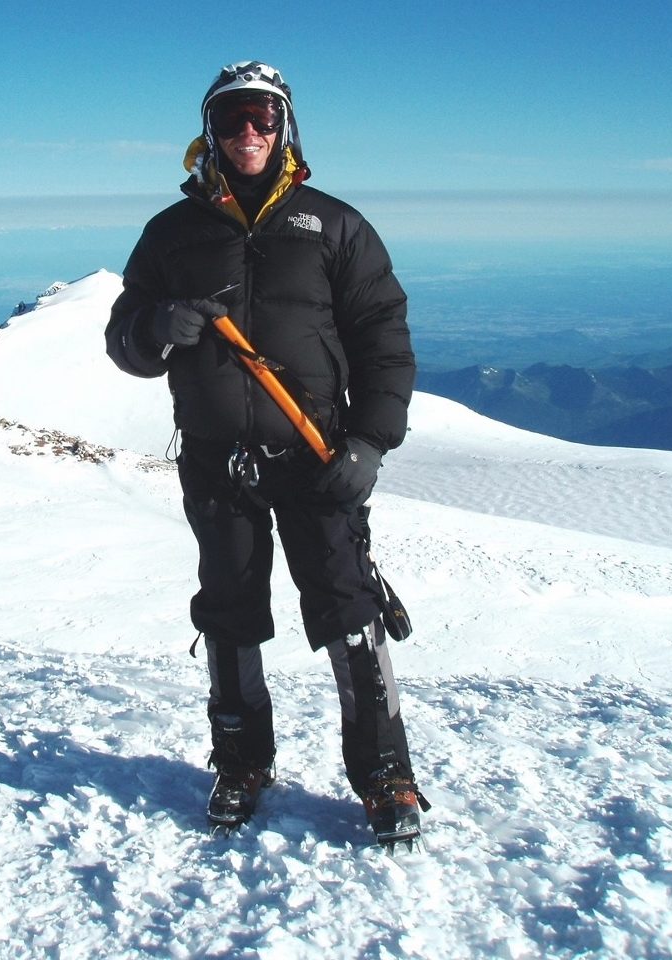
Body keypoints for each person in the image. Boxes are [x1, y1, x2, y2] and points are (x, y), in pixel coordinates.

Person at [105, 61, 427, 846]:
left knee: (349, 611)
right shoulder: (170, 235)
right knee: (230, 613)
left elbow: (383, 339)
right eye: (231, 119)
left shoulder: (335, 226)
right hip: (217, 460)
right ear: (207, 131)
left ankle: (385, 776)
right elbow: (123, 336)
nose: (247, 133)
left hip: (317, 456)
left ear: (285, 127)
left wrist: (370, 443)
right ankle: (242, 763)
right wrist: (156, 330)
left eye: (262, 117)